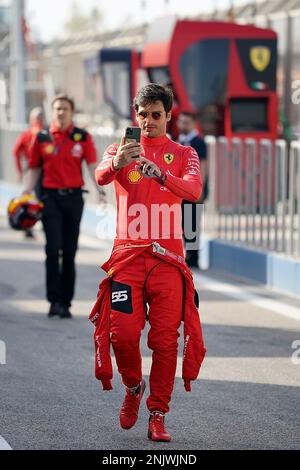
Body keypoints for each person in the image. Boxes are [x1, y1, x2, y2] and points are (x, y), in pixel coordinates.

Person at [90, 84, 206, 442]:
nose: (149, 121)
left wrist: (161, 174)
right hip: (127, 259)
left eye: (157, 115)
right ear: (134, 115)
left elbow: (194, 190)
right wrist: (116, 162)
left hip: (167, 263)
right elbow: (99, 176)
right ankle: (132, 386)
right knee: (122, 335)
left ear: (168, 116)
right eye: (143, 115)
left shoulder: (184, 153)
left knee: (165, 342)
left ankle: (158, 414)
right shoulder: (120, 149)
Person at [23, 93, 105, 319]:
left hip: (73, 199)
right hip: (49, 199)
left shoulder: (82, 137)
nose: (61, 112)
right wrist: (25, 194)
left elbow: (91, 166)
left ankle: (66, 302)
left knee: (69, 252)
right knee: (52, 249)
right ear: (52, 111)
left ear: (71, 112)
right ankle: (53, 301)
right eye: (57, 109)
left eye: (65, 109)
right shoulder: (41, 138)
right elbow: (33, 169)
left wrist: (100, 189)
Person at [177, 111, 208, 268]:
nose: (182, 125)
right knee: (182, 222)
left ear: (193, 124)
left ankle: (193, 257)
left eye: (186, 122)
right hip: (180, 188)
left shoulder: (198, 141)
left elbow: (202, 165)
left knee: (192, 224)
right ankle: (185, 254)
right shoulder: (179, 140)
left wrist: (199, 188)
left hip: (193, 189)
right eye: (181, 122)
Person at [13, 107, 45, 238]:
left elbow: (15, 152)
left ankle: (27, 225)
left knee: (27, 197)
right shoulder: (46, 133)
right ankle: (45, 223)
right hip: (45, 169)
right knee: (44, 196)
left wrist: (20, 170)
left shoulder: (26, 134)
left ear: (32, 119)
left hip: (30, 170)